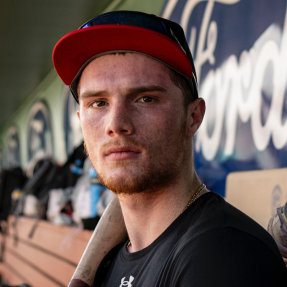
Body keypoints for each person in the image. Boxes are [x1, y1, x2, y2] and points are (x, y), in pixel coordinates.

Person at [53, 11, 287, 286]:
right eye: (98, 103)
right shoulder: (115, 254)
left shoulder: (220, 255)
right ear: (81, 122)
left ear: (193, 117)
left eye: (145, 98)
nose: (115, 124)